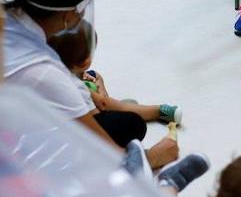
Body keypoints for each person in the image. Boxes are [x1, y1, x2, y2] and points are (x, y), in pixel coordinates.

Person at [1, 0, 208, 193]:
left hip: (3, 126)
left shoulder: (1, 17)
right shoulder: (43, 72)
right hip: (17, 156)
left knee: (122, 120)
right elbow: (110, 153)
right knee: (129, 125)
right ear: (68, 13)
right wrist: (153, 157)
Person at [48, 25, 182, 128]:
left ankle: (119, 107)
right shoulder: (75, 87)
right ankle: (159, 111)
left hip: (82, 108)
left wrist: (95, 84)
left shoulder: (58, 70)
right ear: (86, 61)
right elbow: (102, 107)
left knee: (96, 76)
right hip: (90, 123)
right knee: (127, 115)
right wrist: (101, 95)